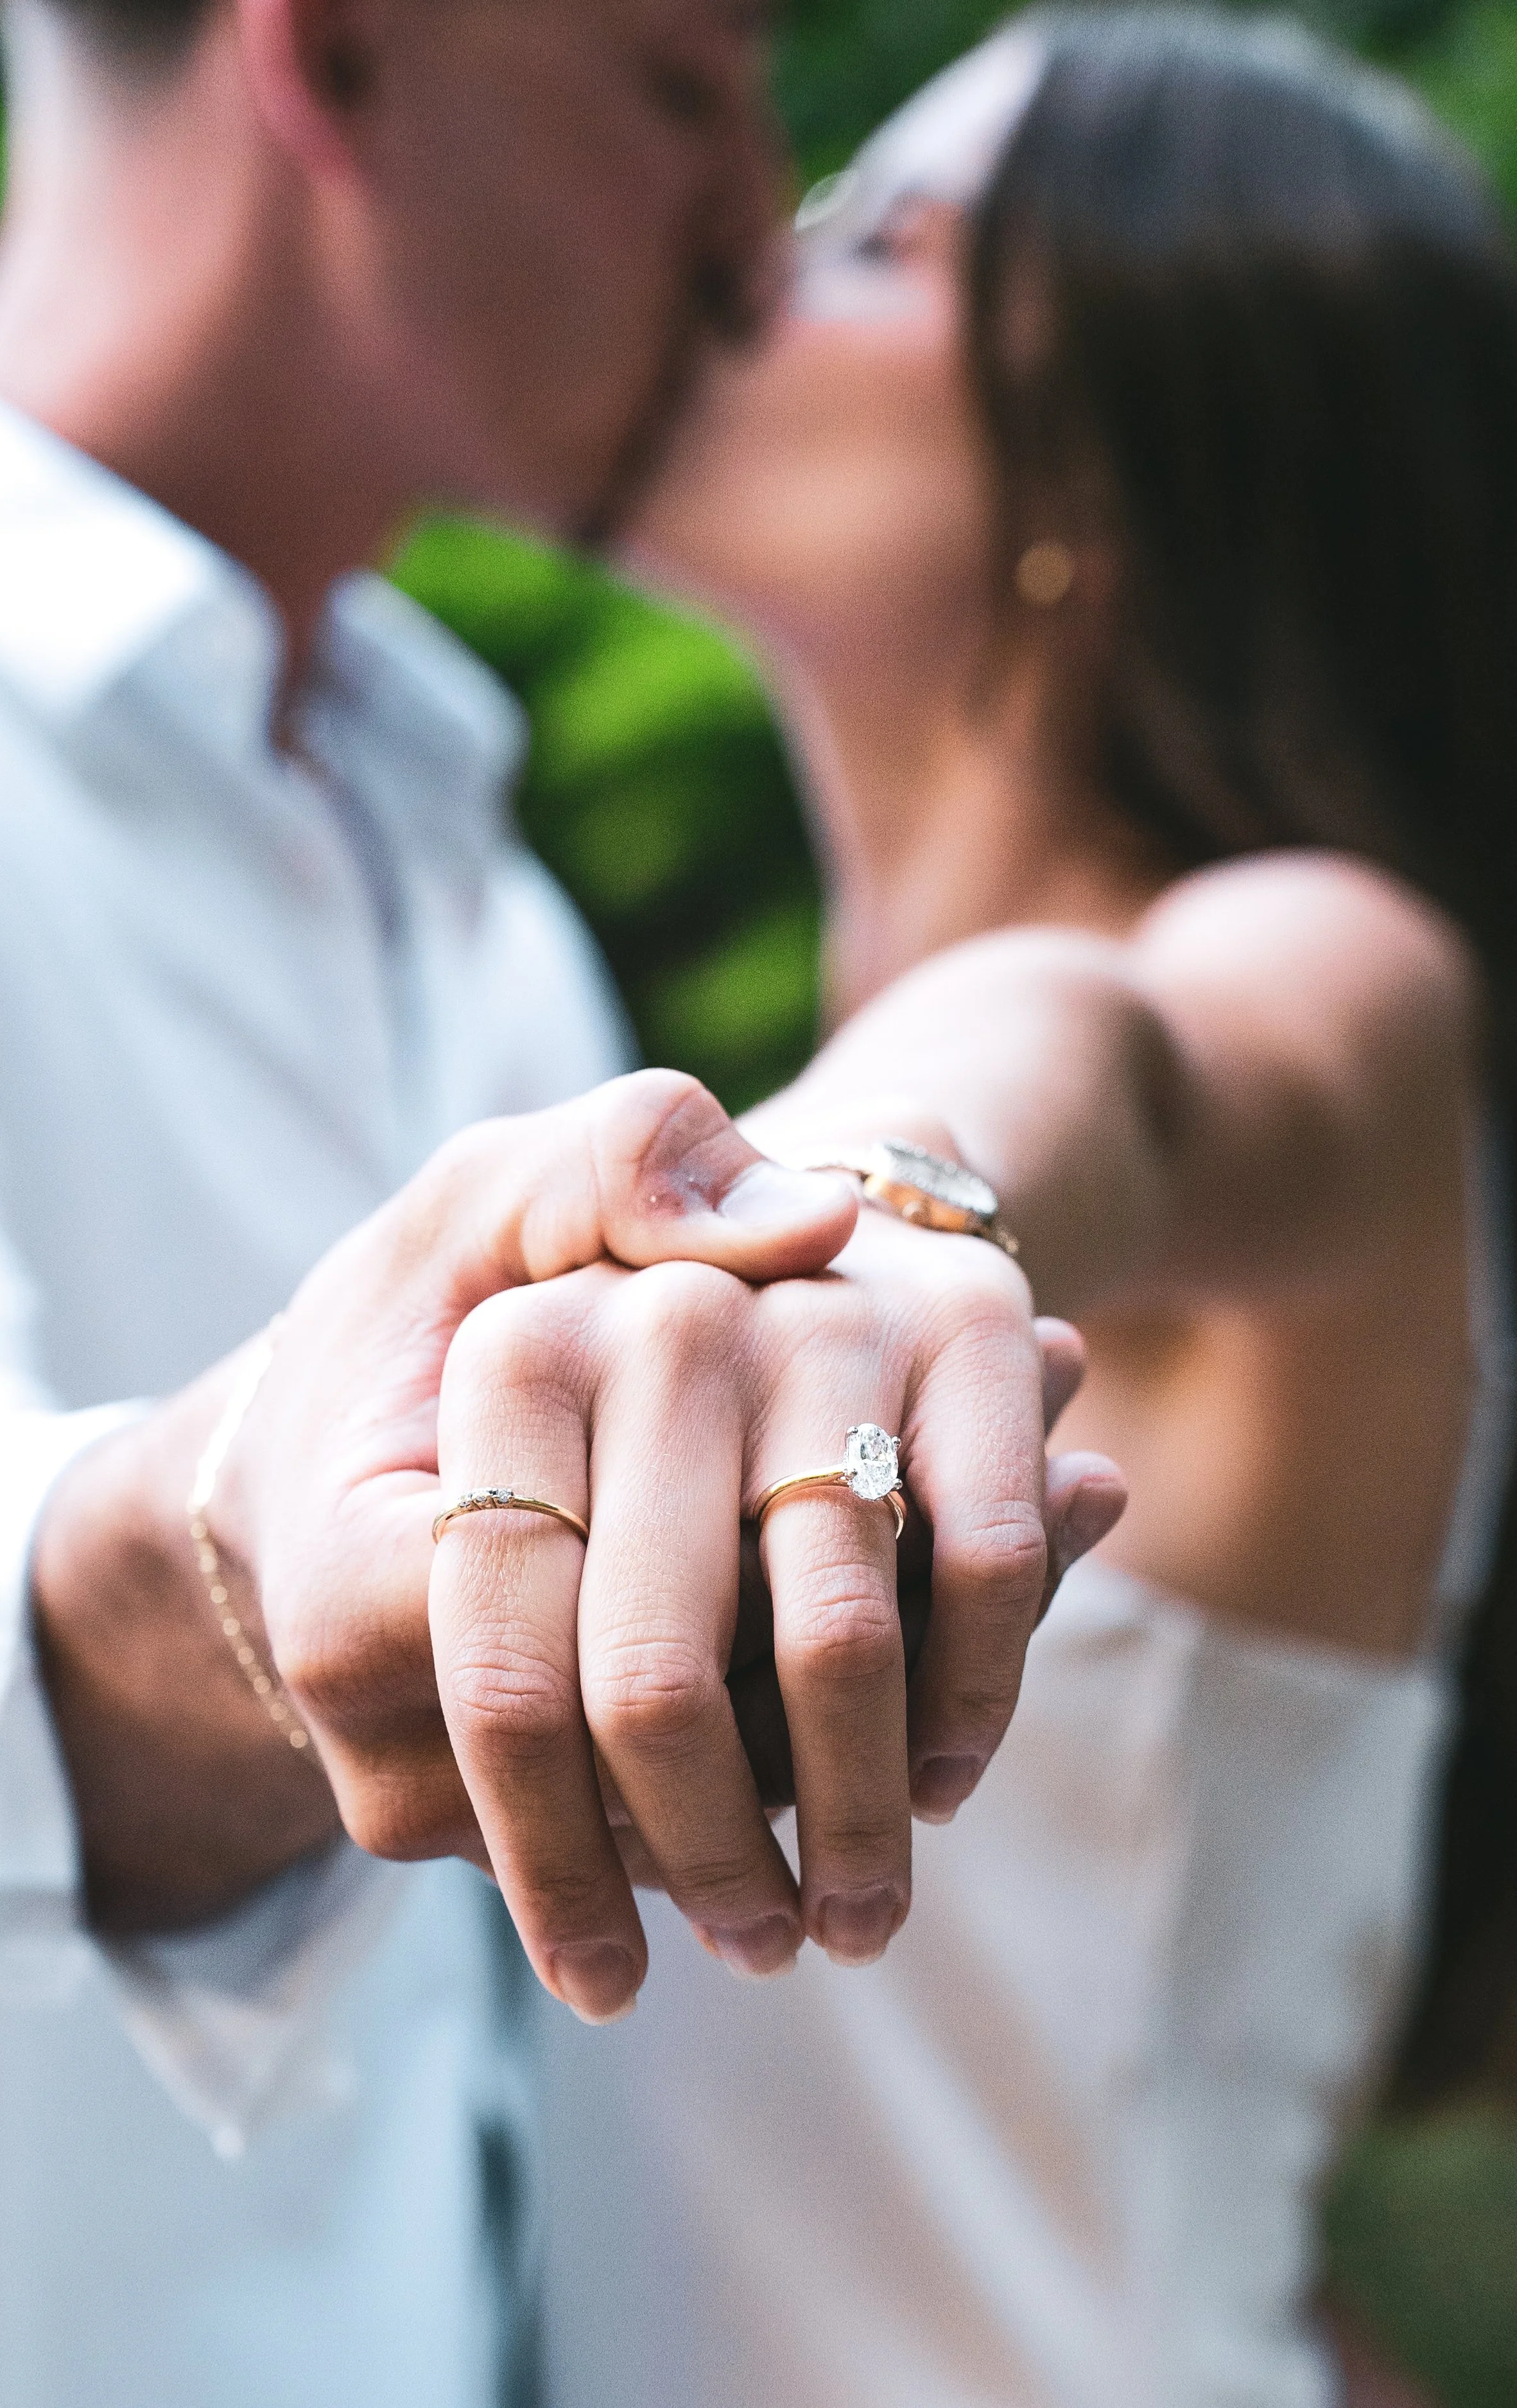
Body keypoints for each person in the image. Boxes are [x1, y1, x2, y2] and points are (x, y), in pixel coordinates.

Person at [0, 0, 1127, 2398]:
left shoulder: (490, 919)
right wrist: (228, 1542)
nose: (754, 268)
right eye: (675, 93)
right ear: (331, 60)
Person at [539, 12, 1517, 2407]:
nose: (744, 261)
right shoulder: (555, 1015)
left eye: (883, 238)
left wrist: (874, 1209)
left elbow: (1115, 1062)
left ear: (1115, 437)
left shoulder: (1333, 981)